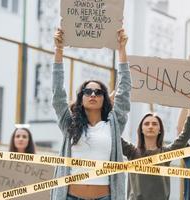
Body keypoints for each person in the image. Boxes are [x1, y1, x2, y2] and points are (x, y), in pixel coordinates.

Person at [51, 28, 131, 200]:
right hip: (71, 196)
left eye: (98, 92)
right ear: (81, 98)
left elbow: (124, 92)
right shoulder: (69, 124)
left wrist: (122, 49)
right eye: (88, 91)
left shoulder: (113, 124)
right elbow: (58, 94)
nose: (93, 95)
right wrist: (59, 50)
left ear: (105, 99)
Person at [121, 95, 190, 200]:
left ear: (160, 130)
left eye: (154, 124)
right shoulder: (132, 152)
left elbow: (185, 135)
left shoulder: (166, 153)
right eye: (147, 124)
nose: (150, 126)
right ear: (141, 129)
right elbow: (114, 135)